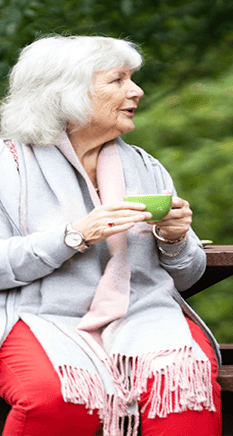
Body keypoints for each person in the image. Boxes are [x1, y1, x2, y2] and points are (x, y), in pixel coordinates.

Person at [0, 36, 221, 436]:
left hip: (148, 314)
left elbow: (187, 276)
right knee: (56, 399)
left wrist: (175, 239)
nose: (136, 91)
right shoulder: (7, 166)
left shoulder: (145, 166)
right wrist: (72, 237)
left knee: (186, 397)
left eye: (131, 79)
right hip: (39, 317)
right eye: (117, 80)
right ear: (66, 93)